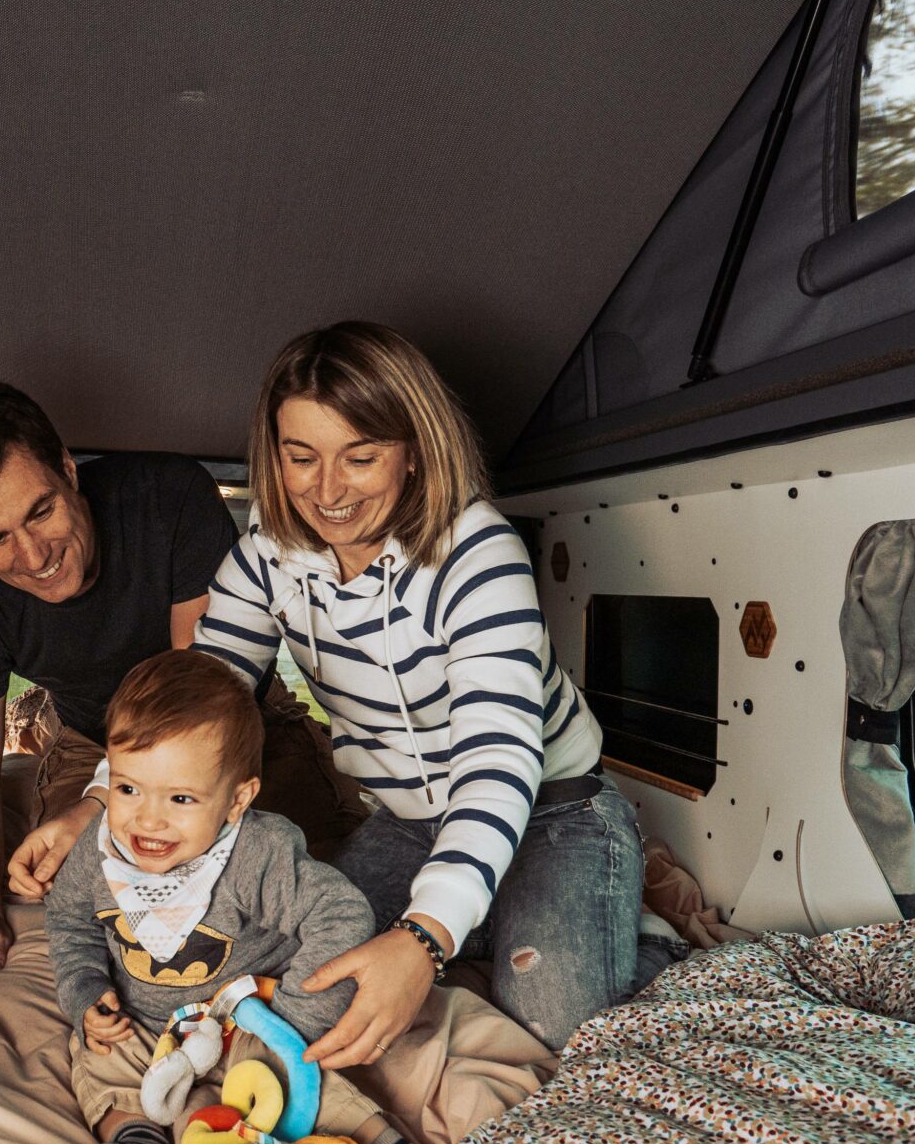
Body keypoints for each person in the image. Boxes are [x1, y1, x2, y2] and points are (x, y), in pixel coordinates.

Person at [192, 322, 644, 1060]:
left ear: (413, 451)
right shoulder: (260, 561)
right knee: (297, 970)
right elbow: (195, 709)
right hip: (408, 823)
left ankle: (603, 925)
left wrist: (423, 939)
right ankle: (489, 913)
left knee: (553, 1029)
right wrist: (104, 799)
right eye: (301, 458)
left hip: (554, 810)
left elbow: (497, 761)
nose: (327, 491)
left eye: (360, 457)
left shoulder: (479, 551)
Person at [0, 373, 358, 999]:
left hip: (233, 719)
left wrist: (102, 804)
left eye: (40, 512)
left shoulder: (168, 498)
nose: (33, 556)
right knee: (92, 897)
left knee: (315, 875)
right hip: (90, 742)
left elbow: (198, 699)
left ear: (68, 469)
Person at [43, 651, 456, 1144]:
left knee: (305, 1075)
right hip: (147, 1021)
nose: (147, 821)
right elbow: (68, 920)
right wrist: (85, 991)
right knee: (98, 1053)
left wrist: (291, 1022)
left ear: (237, 800)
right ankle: (136, 1140)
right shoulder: (99, 850)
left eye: (180, 799)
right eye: (129, 788)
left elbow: (339, 915)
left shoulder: (255, 855)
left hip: (250, 1015)